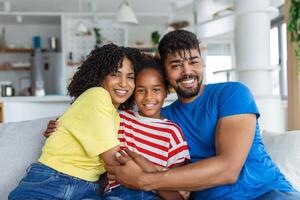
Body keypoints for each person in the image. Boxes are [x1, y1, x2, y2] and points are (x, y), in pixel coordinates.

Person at [105, 30, 300, 200]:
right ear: (165, 75)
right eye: (176, 65)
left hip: (267, 193)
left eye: (193, 61)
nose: (187, 71)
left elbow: (228, 169)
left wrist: (143, 180)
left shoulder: (232, 93)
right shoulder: (161, 121)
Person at [44, 55, 190, 200]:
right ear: (133, 92)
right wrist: (60, 124)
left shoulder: (173, 132)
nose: (148, 97)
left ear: (166, 92)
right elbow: (88, 121)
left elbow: (176, 191)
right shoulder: (120, 119)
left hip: (153, 195)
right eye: (141, 90)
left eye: (156, 90)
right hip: (118, 193)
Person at [9, 43, 141, 200]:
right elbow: (113, 160)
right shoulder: (96, 95)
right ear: (101, 76)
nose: (123, 83)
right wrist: (157, 177)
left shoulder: (115, 115)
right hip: (52, 182)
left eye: (130, 77)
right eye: (115, 74)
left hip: (87, 188)